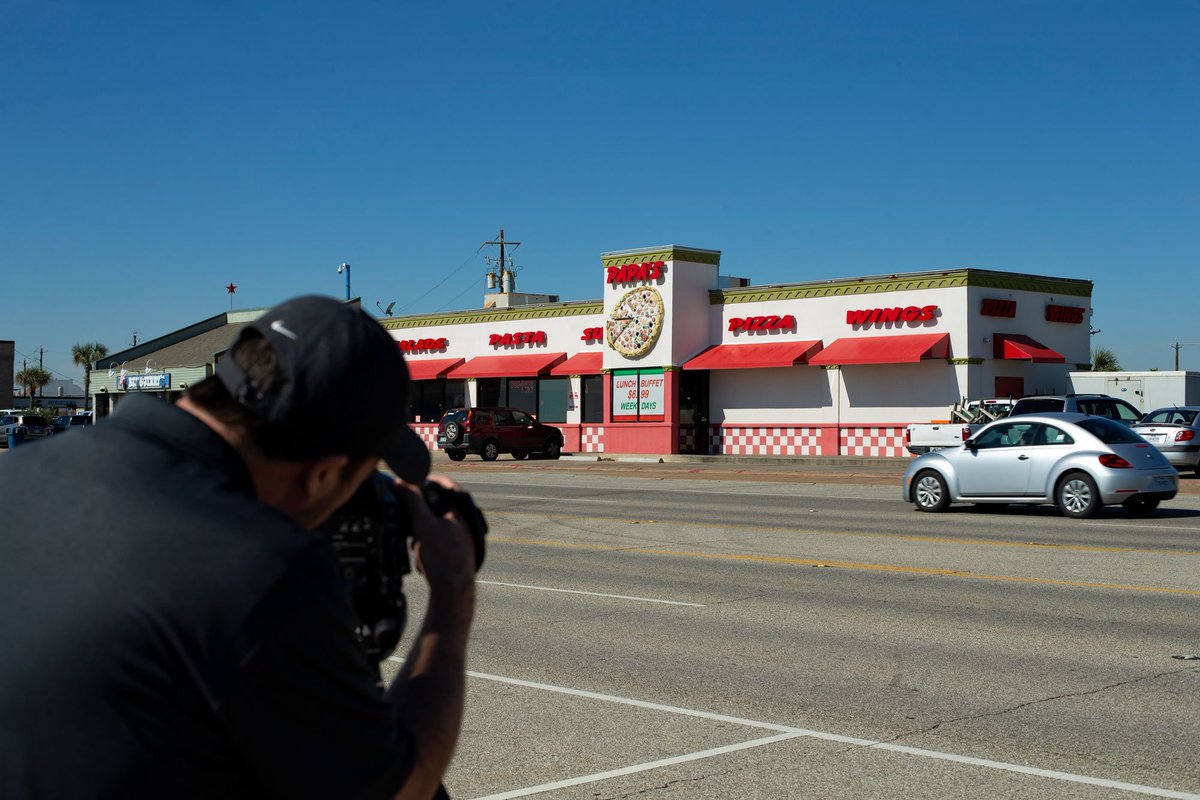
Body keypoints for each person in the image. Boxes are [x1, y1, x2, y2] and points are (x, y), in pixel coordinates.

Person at [0, 296, 478, 800]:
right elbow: (400, 790)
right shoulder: (264, 568)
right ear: (321, 476)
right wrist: (453, 592)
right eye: (358, 480)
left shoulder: (16, 477)